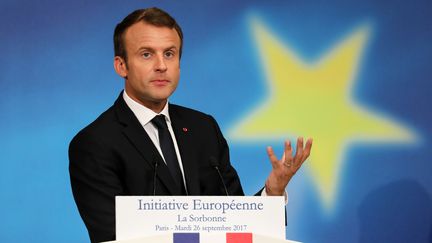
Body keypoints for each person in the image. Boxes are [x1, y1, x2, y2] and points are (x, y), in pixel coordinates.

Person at [69, 7, 312, 243]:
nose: (161, 65)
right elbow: (112, 235)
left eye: (169, 53)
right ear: (121, 65)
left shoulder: (203, 128)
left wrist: (272, 193)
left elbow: (234, 221)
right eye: (146, 54)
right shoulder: (94, 143)